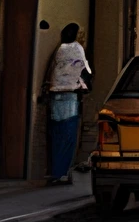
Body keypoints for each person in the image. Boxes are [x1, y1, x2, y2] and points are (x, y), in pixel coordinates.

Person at [43, 23, 90, 185]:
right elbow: (85, 73)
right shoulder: (77, 50)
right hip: (70, 96)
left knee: (56, 134)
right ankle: (62, 172)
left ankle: (56, 171)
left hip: (55, 95)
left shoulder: (59, 50)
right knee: (68, 135)